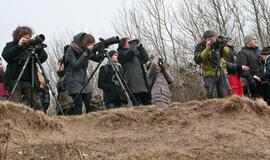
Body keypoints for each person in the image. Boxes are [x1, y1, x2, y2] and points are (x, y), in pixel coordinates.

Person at [2, 26, 48, 111]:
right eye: (25, 37)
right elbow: (6, 56)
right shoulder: (11, 45)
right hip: (14, 80)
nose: (28, 39)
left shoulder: (32, 47)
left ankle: (39, 122)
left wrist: (39, 49)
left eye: (29, 37)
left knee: (37, 105)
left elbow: (43, 58)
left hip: (30, 81)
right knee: (16, 106)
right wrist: (19, 46)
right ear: (19, 37)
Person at [65, 32, 99, 115]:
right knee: (78, 105)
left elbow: (96, 59)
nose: (91, 46)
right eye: (89, 44)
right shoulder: (71, 50)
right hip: (73, 81)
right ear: (84, 43)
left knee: (90, 104)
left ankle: (90, 123)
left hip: (84, 81)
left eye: (92, 44)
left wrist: (100, 50)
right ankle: (78, 124)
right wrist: (86, 52)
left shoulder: (85, 51)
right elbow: (76, 65)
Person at [194, 30, 230, 98]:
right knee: (213, 98)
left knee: (226, 97)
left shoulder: (218, 44)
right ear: (204, 39)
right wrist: (207, 49)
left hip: (221, 74)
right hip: (209, 76)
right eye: (209, 39)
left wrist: (223, 45)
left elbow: (227, 55)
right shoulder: (200, 46)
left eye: (213, 39)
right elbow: (197, 60)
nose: (212, 41)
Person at [117, 38, 151, 106]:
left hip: (143, 85)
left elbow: (145, 58)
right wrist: (133, 44)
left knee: (149, 108)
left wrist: (139, 46)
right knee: (138, 108)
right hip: (133, 87)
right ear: (123, 45)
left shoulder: (135, 54)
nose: (131, 44)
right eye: (128, 42)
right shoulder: (121, 54)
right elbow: (130, 54)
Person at [56, 46, 74, 115]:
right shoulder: (59, 77)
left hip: (69, 104)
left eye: (60, 64)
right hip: (60, 106)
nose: (59, 66)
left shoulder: (69, 73)